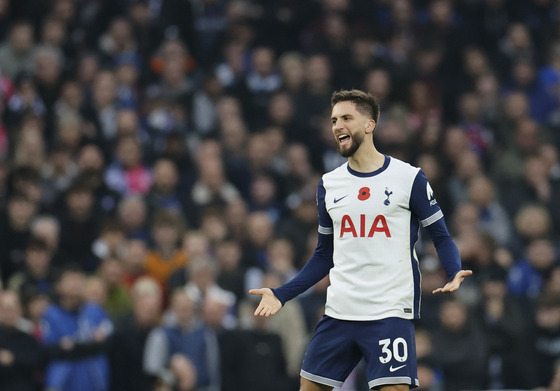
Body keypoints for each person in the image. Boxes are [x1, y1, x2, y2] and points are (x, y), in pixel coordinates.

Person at [250, 89, 472, 391]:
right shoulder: (329, 184)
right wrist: (282, 293)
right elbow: (323, 255)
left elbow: (441, 235)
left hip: (389, 313)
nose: (337, 126)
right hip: (340, 312)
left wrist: (453, 268)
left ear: (369, 125)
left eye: (346, 118)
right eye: (333, 120)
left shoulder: (409, 178)